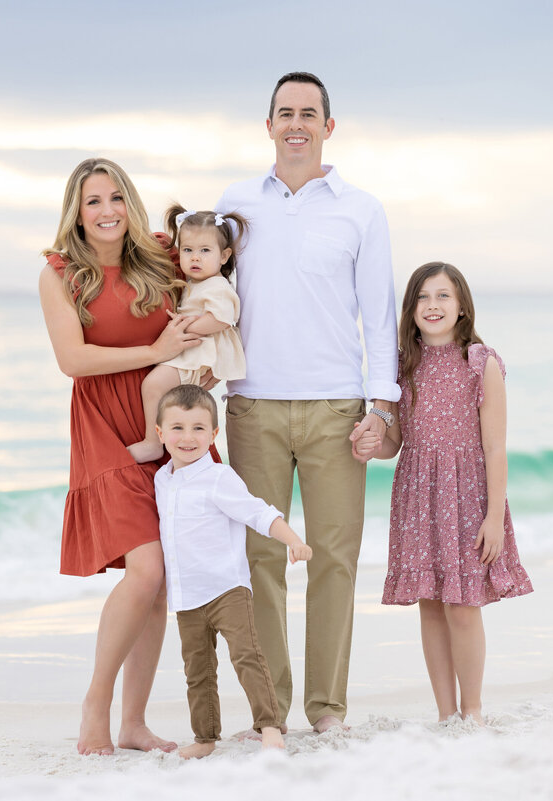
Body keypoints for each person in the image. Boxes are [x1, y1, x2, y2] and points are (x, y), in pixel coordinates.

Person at [215, 71, 400, 733]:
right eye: (285, 112)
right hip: (252, 406)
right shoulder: (236, 203)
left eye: (309, 112)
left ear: (329, 127)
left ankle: (327, 711)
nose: (296, 122)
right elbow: (208, 292)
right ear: (268, 126)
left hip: (337, 410)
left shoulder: (362, 209)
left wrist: (381, 409)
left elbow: (379, 316)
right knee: (260, 560)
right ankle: (270, 714)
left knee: (332, 559)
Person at [38, 157, 216, 756]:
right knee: (144, 568)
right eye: (94, 201)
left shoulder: (166, 257)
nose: (108, 210)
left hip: (167, 421)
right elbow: (73, 360)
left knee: (160, 580)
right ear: (76, 212)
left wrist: (207, 365)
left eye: (116, 197)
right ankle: (96, 704)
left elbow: (212, 303)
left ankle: (134, 724)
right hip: (103, 427)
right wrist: (153, 348)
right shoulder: (62, 274)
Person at [355, 262, 533, 722]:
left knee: (463, 605)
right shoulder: (400, 365)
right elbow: (396, 443)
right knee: (431, 606)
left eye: (443, 297)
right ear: (410, 308)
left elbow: (495, 446)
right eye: (423, 298)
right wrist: (373, 445)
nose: (432, 306)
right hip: (417, 496)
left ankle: (472, 710)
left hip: (468, 497)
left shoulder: (481, 361)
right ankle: (445, 714)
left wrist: (494, 517)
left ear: (461, 306)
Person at [153, 384, 311, 758]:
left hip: (227, 588)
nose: (187, 437)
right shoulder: (162, 479)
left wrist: (292, 540)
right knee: (198, 669)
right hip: (187, 595)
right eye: (177, 428)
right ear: (160, 433)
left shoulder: (219, 478)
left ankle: (269, 726)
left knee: (247, 657)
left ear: (213, 434)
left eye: (198, 428)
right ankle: (205, 738)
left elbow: (258, 512)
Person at [127, 207, 249, 464]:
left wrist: (185, 326)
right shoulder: (197, 283)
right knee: (176, 402)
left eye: (205, 251)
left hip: (198, 351)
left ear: (224, 256)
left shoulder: (217, 286)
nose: (195, 257)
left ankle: (152, 443)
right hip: (194, 350)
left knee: (153, 385)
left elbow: (221, 318)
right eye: (188, 250)